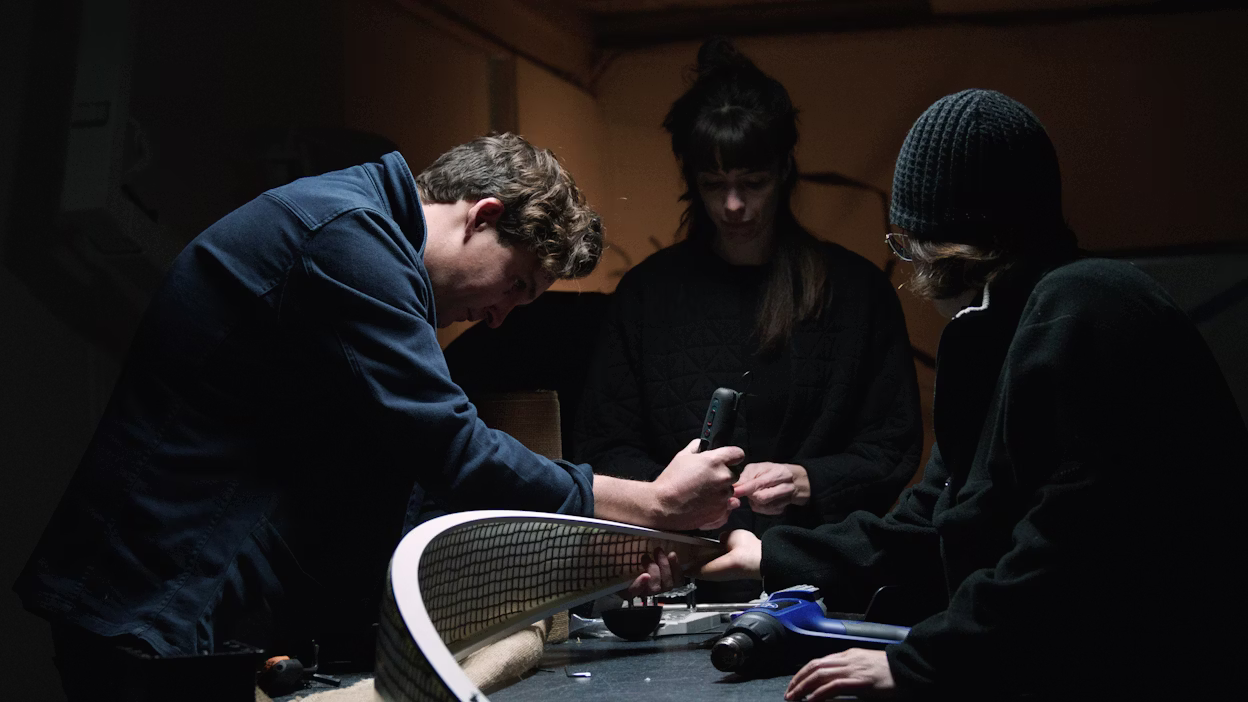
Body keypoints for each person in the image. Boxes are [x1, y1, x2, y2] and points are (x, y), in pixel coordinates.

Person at [15, 134, 743, 689]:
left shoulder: (360, 238)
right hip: (148, 607)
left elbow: (411, 481)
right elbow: (454, 448)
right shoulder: (348, 241)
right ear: (482, 216)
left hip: (178, 604)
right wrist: (651, 505)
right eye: (516, 285)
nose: (500, 316)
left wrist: (598, 552)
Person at [697, 89, 1246, 699]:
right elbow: (930, 522)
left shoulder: (1087, 307)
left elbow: (1070, 545)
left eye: (907, 243)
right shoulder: (1002, 333)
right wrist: (768, 555)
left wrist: (922, 663)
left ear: (945, 246)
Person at [575, 39, 922, 601]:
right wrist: (668, 501)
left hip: (818, 576)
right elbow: (605, 442)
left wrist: (808, 481)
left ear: (784, 170)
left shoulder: (855, 292)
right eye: (714, 185)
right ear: (692, 180)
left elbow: (891, 444)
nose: (733, 205)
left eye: (753, 182)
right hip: (681, 576)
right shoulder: (647, 295)